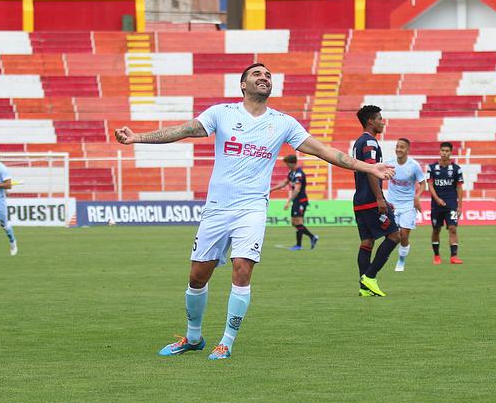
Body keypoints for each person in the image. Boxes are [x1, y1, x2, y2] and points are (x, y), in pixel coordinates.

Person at [114, 63, 393, 361]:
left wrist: (368, 167)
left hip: (251, 208)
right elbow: (183, 130)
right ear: (243, 85)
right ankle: (193, 337)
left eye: (269, 75)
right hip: (217, 208)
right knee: (197, 277)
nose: (264, 78)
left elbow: (326, 152)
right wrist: (138, 137)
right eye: (257, 75)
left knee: (242, 269)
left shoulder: (283, 122)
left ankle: (227, 340)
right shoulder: (221, 113)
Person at [353, 105, 401, 297]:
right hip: (372, 200)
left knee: (367, 242)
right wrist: (380, 198)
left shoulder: (359, 143)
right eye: (380, 118)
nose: (383, 122)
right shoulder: (370, 143)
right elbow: (372, 171)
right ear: (371, 121)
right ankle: (370, 277)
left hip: (360, 200)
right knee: (395, 236)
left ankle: (364, 288)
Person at [386, 138, 425, 272]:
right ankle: (384, 256)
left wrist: (417, 196)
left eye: (402, 147)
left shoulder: (414, 165)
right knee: (391, 235)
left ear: (407, 150)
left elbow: (423, 183)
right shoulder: (389, 163)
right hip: (391, 204)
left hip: (408, 204)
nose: (399, 149)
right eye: (397, 146)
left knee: (403, 234)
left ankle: (401, 260)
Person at [270, 154, 318, 250]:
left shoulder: (299, 174)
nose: (286, 166)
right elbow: (284, 182)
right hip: (296, 200)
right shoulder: (292, 172)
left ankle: (302, 243)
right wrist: (271, 189)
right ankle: (309, 239)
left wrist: (288, 201)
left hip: (301, 200)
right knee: (294, 222)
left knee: (298, 222)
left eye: (287, 164)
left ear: (292, 163)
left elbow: (297, 190)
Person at [428, 141, 463, 265]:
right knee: (436, 229)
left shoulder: (456, 169)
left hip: (451, 204)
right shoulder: (431, 168)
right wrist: (437, 199)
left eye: (447, 151)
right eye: (443, 150)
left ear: (451, 153)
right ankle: (436, 255)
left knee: (453, 228)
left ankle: (454, 256)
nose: (444, 153)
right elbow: (430, 186)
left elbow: (459, 188)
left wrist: (460, 206)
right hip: (436, 205)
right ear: (440, 151)